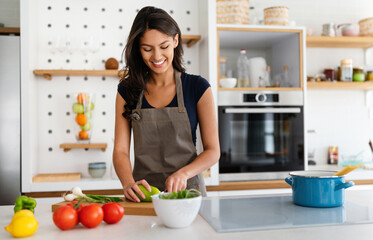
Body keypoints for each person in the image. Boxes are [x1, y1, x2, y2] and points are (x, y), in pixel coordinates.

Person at [113, 6, 219, 202]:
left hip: (189, 193)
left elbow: (213, 151)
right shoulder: (126, 91)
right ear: (138, 48)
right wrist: (128, 183)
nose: (157, 57)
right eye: (147, 49)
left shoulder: (198, 87)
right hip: (143, 196)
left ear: (175, 41)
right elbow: (120, 150)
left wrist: (184, 173)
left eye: (164, 46)